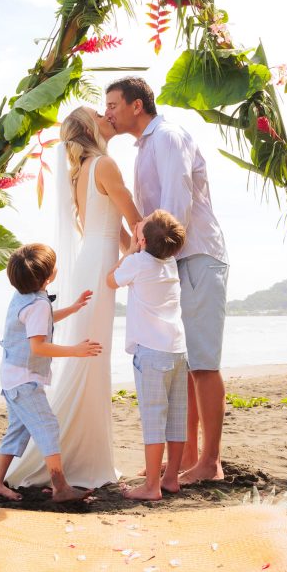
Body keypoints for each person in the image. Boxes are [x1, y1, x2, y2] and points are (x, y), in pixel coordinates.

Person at [5, 105, 142, 489]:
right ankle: (83, 458)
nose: (106, 115)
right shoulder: (106, 166)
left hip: (92, 263)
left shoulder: (83, 171)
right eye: (99, 113)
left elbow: (116, 229)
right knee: (92, 357)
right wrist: (141, 260)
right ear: (88, 128)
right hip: (100, 264)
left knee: (91, 359)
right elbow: (134, 222)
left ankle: (84, 452)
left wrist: (130, 257)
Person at [106, 77, 229, 484]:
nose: (109, 113)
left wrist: (156, 262)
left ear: (136, 105)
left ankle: (209, 462)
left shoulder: (168, 137)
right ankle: (188, 458)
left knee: (203, 363)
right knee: (184, 361)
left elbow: (176, 207)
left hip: (193, 257)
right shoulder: (144, 148)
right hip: (175, 263)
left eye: (113, 105)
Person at [0, 242, 101, 502]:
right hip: (23, 379)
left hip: (11, 374)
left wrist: (72, 308)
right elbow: (38, 346)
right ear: (49, 276)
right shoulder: (37, 303)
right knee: (47, 426)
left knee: (18, 430)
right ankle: (60, 486)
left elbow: (40, 321)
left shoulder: (24, 296)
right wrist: (75, 350)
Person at [107, 210, 188, 501]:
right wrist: (142, 240)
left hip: (151, 353)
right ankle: (171, 479)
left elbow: (110, 280)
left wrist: (129, 249)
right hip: (178, 349)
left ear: (142, 239)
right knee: (177, 417)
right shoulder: (172, 264)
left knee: (154, 418)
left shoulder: (138, 262)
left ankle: (151, 486)